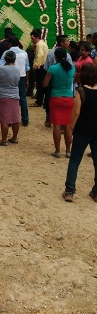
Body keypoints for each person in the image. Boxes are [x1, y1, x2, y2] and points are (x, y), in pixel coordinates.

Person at [63, 63, 97, 202]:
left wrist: (70, 128)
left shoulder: (81, 91)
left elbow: (76, 112)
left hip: (82, 130)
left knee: (75, 161)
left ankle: (69, 190)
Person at [43, 47, 75, 158]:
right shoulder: (72, 68)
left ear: (55, 57)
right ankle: (68, 151)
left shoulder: (53, 68)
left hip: (56, 97)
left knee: (57, 125)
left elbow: (45, 84)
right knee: (67, 126)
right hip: (69, 98)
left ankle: (57, 151)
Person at [0, 36, 30, 126]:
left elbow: (0, 66)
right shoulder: (24, 53)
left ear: (10, 44)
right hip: (21, 77)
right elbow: (27, 68)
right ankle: (25, 119)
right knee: (23, 98)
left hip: (9, 77)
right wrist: (27, 80)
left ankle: (10, 119)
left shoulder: (7, 53)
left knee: (10, 98)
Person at [43, 35, 73, 127]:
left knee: (49, 98)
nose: (68, 43)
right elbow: (70, 68)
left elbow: (45, 67)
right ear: (62, 43)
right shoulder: (67, 55)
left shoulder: (50, 52)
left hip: (51, 80)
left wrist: (51, 74)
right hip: (64, 83)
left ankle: (48, 119)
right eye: (67, 41)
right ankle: (64, 123)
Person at [0, 50, 21, 146]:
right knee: (15, 118)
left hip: (2, 95)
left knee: (4, 119)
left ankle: (4, 139)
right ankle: (14, 138)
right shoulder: (17, 69)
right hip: (14, 95)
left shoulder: (1, 69)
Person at [29, 29, 48, 108]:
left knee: (40, 85)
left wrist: (36, 65)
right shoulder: (43, 43)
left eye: (32, 38)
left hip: (40, 67)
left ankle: (39, 101)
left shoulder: (39, 45)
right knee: (41, 84)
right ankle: (40, 100)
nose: (32, 40)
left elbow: (39, 55)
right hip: (43, 66)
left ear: (37, 37)